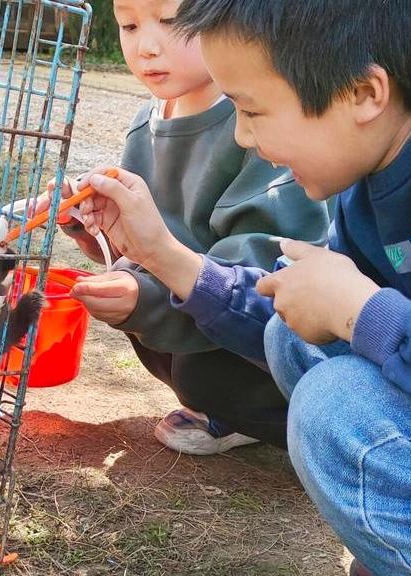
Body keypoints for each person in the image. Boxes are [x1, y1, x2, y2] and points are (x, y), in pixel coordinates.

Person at [73, 1, 411, 574]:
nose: (243, 135)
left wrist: (366, 313)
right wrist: (160, 256)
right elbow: (306, 314)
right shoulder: (376, 161)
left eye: (252, 110)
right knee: (294, 332)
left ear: (362, 93)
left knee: (337, 410)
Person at [36, 0, 329, 455]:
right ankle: (223, 407)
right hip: (193, 306)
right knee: (146, 325)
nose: (147, 47)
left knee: (200, 371)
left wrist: (147, 290)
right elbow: (149, 240)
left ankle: (306, 426)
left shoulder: (255, 124)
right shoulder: (146, 124)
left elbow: (261, 272)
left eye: (172, 21)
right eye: (129, 25)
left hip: (261, 322)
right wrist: (92, 225)